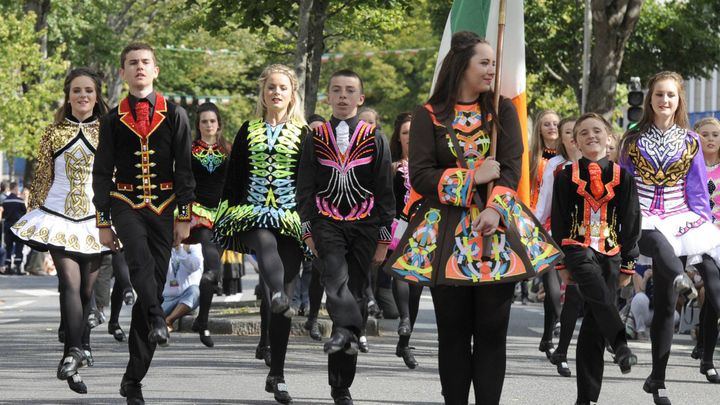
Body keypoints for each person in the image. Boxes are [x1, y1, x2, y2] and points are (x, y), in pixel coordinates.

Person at [387, 31, 524, 405]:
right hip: (445, 235)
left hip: (496, 231)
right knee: (452, 331)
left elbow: (512, 167)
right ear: (461, 66)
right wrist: (471, 177)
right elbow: (421, 175)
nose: (492, 70)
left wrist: (495, 208)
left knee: (493, 330)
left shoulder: (503, 109)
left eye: (494, 63)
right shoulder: (428, 114)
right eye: (484, 62)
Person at [92, 43, 195, 405]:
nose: (139, 68)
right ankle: (157, 319)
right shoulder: (111, 118)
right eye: (132, 63)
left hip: (165, 207)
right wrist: (103, 221)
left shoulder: (176, 114)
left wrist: (184, 218)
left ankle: (133, 379)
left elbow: (185, 169)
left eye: (145, 62)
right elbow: (102, 172)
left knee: (150, 282)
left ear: (156, 70)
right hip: (125, 203)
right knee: (139, 260)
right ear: (122, 73)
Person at [618, 71, 720, 404]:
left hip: (680, 217)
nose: (665, 101)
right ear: (650, 98)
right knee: (659, 246)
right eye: (659, 94)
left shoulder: (691, 140)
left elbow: (697, 190)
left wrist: (703, 231)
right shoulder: (632, 139)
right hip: (642, 216)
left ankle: (657, 380)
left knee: (664, 306)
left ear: (679, 101)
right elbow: (623, 185)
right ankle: (680, 279)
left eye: (671, 95)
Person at [296, 68, 394, 405]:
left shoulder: (375, 137)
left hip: (366, 223)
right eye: (336, 90)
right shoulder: (315, 136)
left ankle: (341, 381)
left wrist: (384, 238)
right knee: (334, 278)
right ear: (328, 96)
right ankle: (342, 333)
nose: (342, 96)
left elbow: (385, 191)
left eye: (349, 91)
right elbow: (305, 187)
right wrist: (307, 229)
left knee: (357, 293)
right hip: (326, 222)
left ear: (360, 98)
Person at [11, 67, 110, 393]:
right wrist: (34, 216)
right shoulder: (52, 133)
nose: (83, 96)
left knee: (86, 294)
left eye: (89, 91)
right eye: (77, 90)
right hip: (56, 216)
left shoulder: (109, 133)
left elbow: (116, 179)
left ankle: (81, 346)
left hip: (95, 221)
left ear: (97, 97)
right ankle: (72, 354)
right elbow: (41, 178)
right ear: (68, 96)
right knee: (69, 282)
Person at [214, 64, 308, 405]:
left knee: (282, 296)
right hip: (251, 212)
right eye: (271, 87)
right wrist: (223, 212)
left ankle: (277, 374)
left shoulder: (305, 133)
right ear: (263, 93)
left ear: (292, 93)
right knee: (266, 245)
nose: (277, 92)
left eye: (283, 87)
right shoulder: (248, 129)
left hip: (293, 217)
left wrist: (312, 223)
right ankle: (277, 296)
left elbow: (309, 183)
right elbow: (234, 175)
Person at [551, 112, 641, 405]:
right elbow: (559, 220)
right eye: (584, 132)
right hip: (577, 246)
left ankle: (586, 398)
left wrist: (628, 262)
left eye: (597, 131)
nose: (591, 136)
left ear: (609, 137)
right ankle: (621, 344)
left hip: (611, 252)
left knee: (593, 324)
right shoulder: (565, 175)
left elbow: (631, 222)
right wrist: (561, 263)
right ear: (574, 141)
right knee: (594, 285)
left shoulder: (623, 177)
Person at [534, 116, 582, 377]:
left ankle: (563, 348)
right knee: (554, 294)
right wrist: (533, 233)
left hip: (588, 240)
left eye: (579, 131)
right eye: (569, 132)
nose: (575, 136)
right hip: (555, 236)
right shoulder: (555, 165)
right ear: (563, 138)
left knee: (580, 296)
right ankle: (552, 341)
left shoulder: (597, 164)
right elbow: (543, 205)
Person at [186, 102, 229, 348]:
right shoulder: (189, 150)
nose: (209, 125)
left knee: (212, 275)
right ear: (198, 125)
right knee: (212, 265)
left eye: (212, 121)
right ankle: (201, 321)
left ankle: (202, 321)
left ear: (218, 124)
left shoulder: (228, 150)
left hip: (223, 214)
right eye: (204, 121)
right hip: (199, 212)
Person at [387, 111, 422, 369]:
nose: (411, 137)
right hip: (398, 228)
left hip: (423, 231)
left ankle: (404, 342)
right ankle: (404, 319)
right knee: (400, 275)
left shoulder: (429, 167)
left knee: (417, 287)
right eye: (406, 132)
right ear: (399, 138)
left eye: (415, 132)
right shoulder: (393, 167)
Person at [302, 114, 327, 342]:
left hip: (321, 218)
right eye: (312, 132)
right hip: (295, 215)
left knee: (316, 269)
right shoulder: (297, 155)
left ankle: (313, 317)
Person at [162, 244, 202, 330]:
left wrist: (179, 250)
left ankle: (169, 320)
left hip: (187, 297)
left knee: (196, 291)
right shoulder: (163, 244)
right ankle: (162, 320)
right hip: (166, 299)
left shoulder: (194, 245)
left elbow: (194, 266)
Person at [529, 110, 560, 209]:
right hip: (535, 210)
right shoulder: (530, 157)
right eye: (547, 124)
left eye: (556, 124)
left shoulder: (568, 157)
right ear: (539, 130)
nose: (552, 127)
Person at [3, 182, 27, 274]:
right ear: (15, 188)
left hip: (8, 226)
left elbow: (4, 214)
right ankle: (17, 268)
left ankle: (8, 267)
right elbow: (24, 212)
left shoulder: (5, 201)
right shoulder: (20, 201)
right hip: (18, 227)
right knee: (19, 247)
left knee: (8, 247)